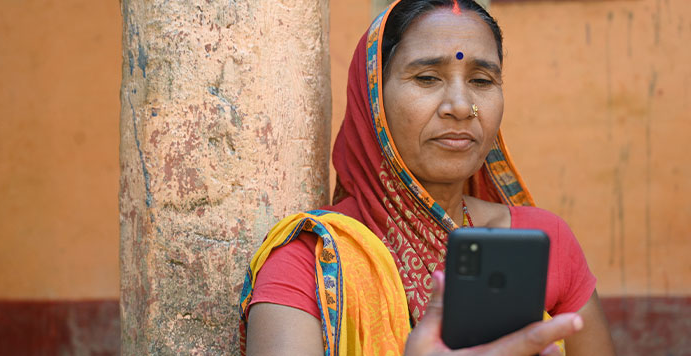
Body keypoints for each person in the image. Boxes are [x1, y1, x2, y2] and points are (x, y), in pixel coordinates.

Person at [238, 0, 616, 355]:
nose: (460, 106)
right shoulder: (311, 262)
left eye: (482, 81)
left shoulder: (544, 243)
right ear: (374, 99)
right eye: (428, 77)